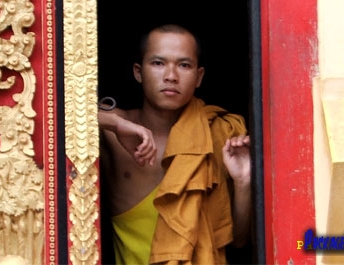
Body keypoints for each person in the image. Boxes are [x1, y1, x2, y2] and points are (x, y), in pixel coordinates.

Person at [98, 24, 251, 265]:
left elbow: (239, 240)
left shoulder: (216, 136)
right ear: (138, 72)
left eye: (184, 65)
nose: (171, 76)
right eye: (158, 63)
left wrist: (243, 181)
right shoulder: (113, 135)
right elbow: (50, 116)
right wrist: (114, 123)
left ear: (199, 77)